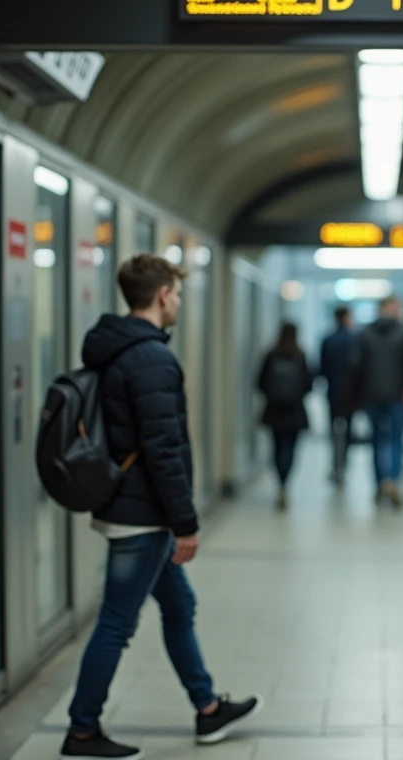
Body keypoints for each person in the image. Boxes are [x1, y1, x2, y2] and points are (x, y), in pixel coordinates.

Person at [63, 255, 261, 759]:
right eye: (176, 292)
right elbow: (163, 448)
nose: (178, 301)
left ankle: (207, 706)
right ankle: (82, 730)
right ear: (162, 296)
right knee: (116, 622)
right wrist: (185, 524)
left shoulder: (114, 346)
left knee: (179, 606)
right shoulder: (151, 358)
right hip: (143, 515)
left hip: (130, 504)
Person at [349, 295, 403, 507]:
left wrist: (359, 392)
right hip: (396, 394)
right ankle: (392, 480)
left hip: (371, 395)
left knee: (377, 439)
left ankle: (379, 482)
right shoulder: (402, 333)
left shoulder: (365, 333)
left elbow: (356, 366)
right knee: (397, 439)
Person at [257, 323, 313, 510]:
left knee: (277, 446)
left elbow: (260, 383)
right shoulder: (300, 355)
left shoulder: (271, 355)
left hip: (274, 411)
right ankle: (285, 483)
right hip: (295, 412)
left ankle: (280, 483)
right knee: (290, 448)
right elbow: (309, 384)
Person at [318, 306, 357, 484]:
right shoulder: (354, 339)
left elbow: (322, 369)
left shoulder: (328, 340)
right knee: (348, 429)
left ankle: (336, 465)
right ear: (347, 318)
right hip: (350, 393)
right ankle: (344, 464)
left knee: (333, 430)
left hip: (333, 391)